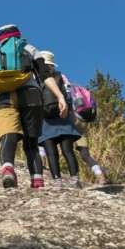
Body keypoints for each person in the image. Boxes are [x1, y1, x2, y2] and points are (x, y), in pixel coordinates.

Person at [0, 24, 68, 189]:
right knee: (31, 142)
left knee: (8, 136)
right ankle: (37, 180)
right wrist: (60, 96)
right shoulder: (29, 48)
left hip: (3, 97)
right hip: (31, 95)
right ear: (18, 35)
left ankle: (8, 168)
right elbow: (45, 74)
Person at [37, 51, 82, 188]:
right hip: (63, 117)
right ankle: (75, 179)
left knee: (51, 152)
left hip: (44, 121)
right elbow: (69, 96)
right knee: (68, 150)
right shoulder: (61, 76)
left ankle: (57, 180)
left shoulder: (35, 77)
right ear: (52, 64)